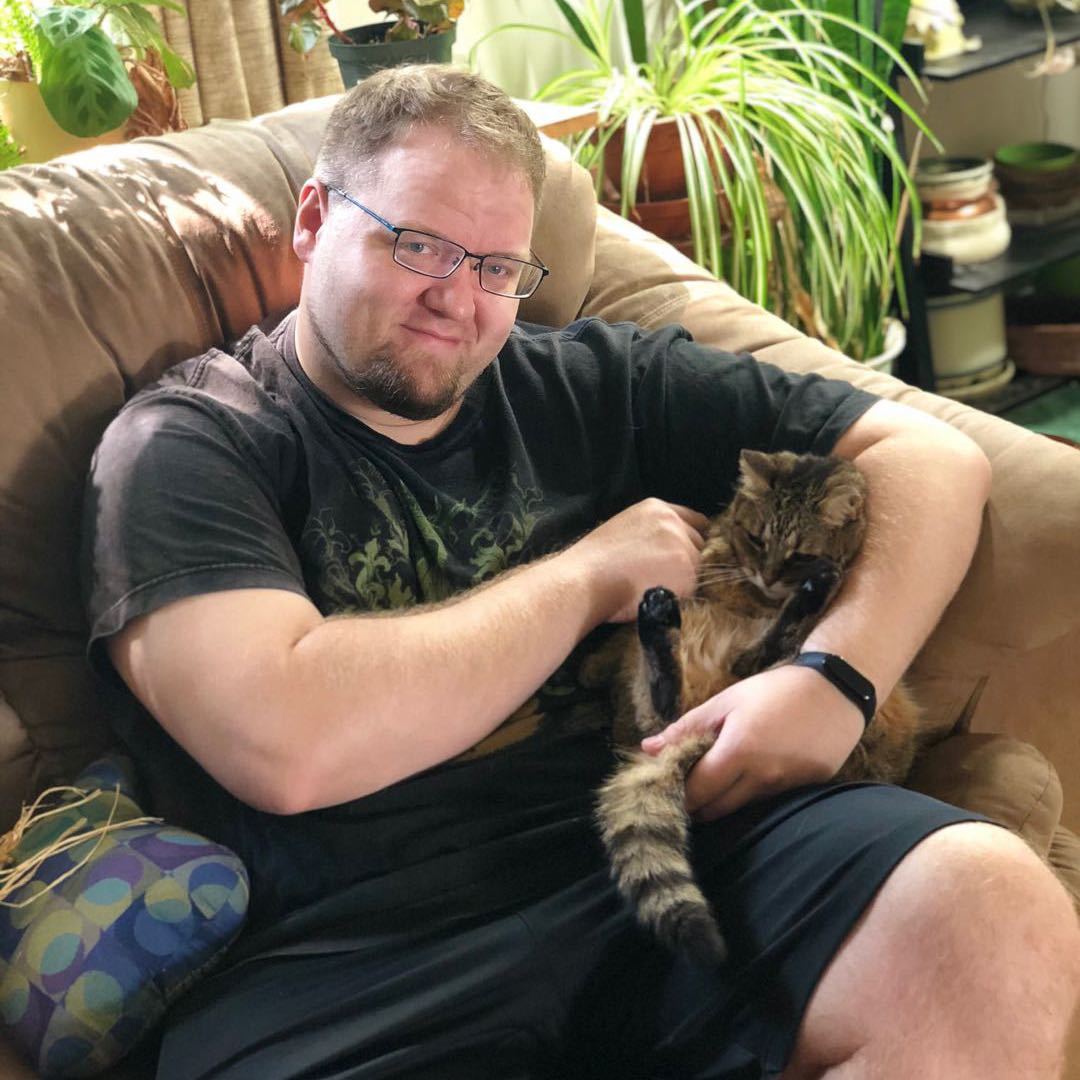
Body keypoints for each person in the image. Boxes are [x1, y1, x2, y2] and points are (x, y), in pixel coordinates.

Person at [81, 66, 1080, 1080]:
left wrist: (838, 678)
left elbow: (929, 457)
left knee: (994, 916)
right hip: (355, 958)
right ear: (313, 220)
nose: (455, 299)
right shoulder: (189, 444)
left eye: (497, 267)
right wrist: (588, 576)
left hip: (675, 855)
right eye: (417, 244)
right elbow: (287, 744)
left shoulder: (595, 383)